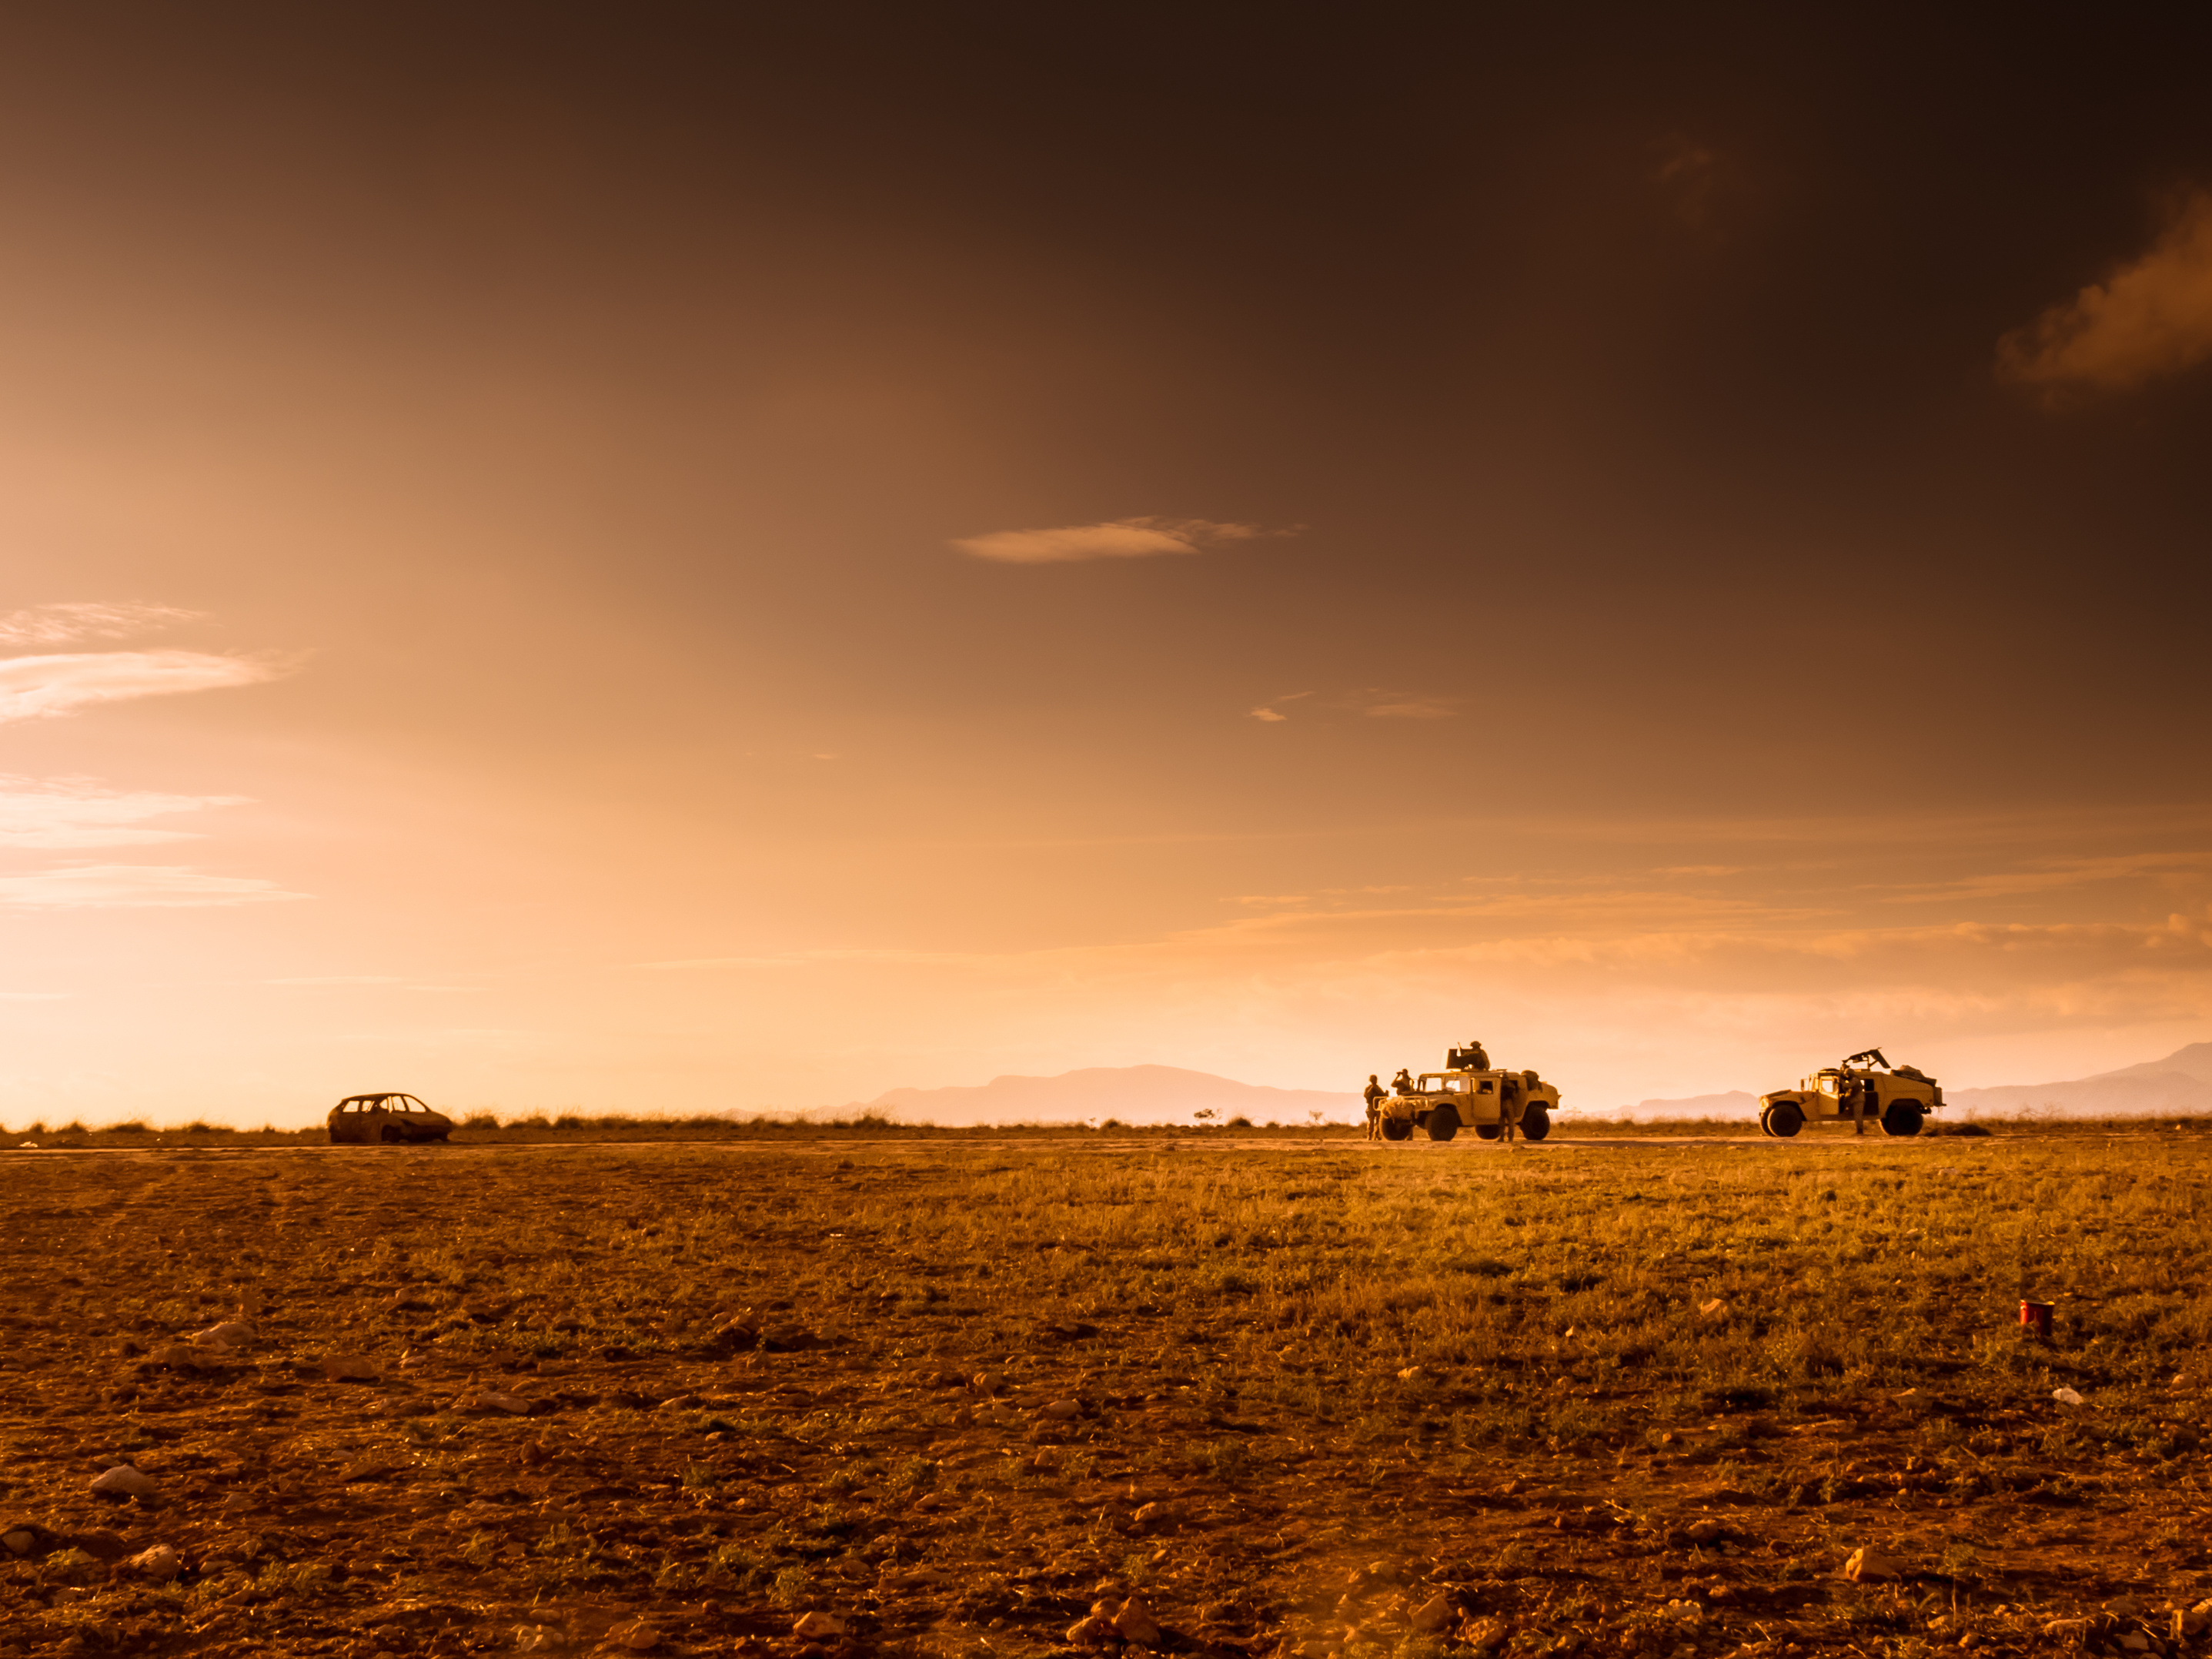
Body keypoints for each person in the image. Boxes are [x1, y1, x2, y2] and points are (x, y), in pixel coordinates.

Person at [1362, 1074, 1386, 1140]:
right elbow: (1366, 1095)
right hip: (1371, 1106)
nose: (1375, 1081)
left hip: (1378, 1106)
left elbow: (1382, 1095)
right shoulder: (1368, 1088)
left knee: (1378, 1122)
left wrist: (1386, 1094)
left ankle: (1377, 1134)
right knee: (1371, 1121)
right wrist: (1372, 1088)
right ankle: (1370, 1134)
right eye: (1374, 1080)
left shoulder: (1378, 1088)